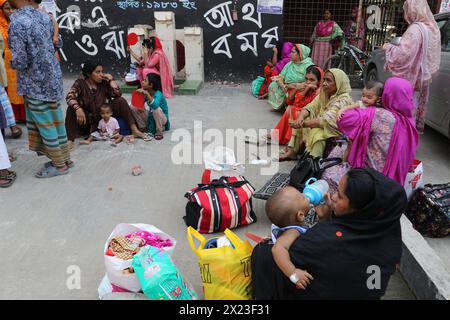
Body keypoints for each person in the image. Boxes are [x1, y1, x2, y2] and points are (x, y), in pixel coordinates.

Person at [252, 168, 405, 300]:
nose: (333, 197)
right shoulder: (387, 230)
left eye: (340, 195)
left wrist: (292, 272)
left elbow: (283, 251)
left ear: (359, 208)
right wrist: (327, 219)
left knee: (262, 253)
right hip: (366, 291)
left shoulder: (320, 242)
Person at [9, 0, 72, 178]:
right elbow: (57, 43)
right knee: (55, 120)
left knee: (45, 125)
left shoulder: (18, 22)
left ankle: (59, 165)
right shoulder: (44, 16)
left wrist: (9, 60)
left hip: (34, 82)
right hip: (52, 77)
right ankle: (65, 159)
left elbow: (20, 60)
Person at [323, 77, 419, 193]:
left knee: (334, 159)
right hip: (393, 182)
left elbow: (342, 119)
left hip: (369, 176)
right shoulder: (410, 122)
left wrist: (350, 108)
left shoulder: (379, 114)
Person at [383, 0, 441, 134]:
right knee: (411, 115)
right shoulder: (432, 28)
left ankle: (399, 142)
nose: (405, 12)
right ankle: (408, 142)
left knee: (402, 114)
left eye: (406, 9)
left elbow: (403, 54)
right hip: (422, 80)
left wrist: (388, 48)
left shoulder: (415, 29)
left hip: (409, 82)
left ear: (413, 9)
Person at [65, 61, 151, 149]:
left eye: (102, 71)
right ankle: (70, 140)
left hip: (104, 118)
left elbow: (118, 94)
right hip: (87, 121)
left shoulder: (103, 83)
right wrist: (78, 108)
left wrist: (111, 80)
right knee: (71, 108)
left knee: (120, 101)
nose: (101, 75)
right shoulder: (80, 83)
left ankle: (134, 130)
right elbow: (69, 96)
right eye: (97, 72)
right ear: (89, 73)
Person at [280, 69, 353, 161]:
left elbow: (325, 121)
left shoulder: (343, 100)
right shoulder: (325, 94)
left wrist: (303, 123)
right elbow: (309, 107)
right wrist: (301, 118)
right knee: (300, 116)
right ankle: (292, 152)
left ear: (338, 83)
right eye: (324, 80)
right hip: (325, 126)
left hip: (337, 131)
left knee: (318, 133)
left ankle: (313, 160)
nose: (324, 83)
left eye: (329, 80)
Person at [266, 187, 314, 290]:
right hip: (290, 263)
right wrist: (293, 273)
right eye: (302, 197)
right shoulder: (293, 231)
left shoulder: (282, 224)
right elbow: (277, 249)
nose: (304, 193)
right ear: (300, 215)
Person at [268, 65, 323, 146]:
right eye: (306, 79)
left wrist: (305, 90)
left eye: (312, 80)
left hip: (313, 116)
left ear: (319, 81)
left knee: (294, 110)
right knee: (291, 108)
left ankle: (289, 141)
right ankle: (278, 135)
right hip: (302, 112)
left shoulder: (319, 92)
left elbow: (308, 108)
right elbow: (289, 101)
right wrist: (297, 89)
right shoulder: (304, 86)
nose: (308, 82)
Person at [0, 0, 25, 126]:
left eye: (12, 8)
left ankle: (23, 115)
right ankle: (13, 117)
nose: (10, 12)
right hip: (5, 59)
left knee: (21, 84)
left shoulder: (22, 21)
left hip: (21, 56)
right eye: (7, 8)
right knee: (10, 87)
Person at [268, 44, 314, 111]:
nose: (290, 54)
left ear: (300, 55)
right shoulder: (290, 64)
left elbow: (310, 80)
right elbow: (281, 76)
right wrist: (283, 86)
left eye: (293, 52)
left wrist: (292, 86)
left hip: (298, 86)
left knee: (298, 89)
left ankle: (292, 108)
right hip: (287, 85)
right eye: (291, 52)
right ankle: (280, 106)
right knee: (273, 85)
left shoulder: (308, 66)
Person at [137, 73, 170, 140]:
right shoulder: (146, 92)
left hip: (162, 118)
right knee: (133, 107)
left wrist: (147, 94)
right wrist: (138, 95)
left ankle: (159, 131)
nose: (142, 82)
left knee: (156, 109)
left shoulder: (158, 94)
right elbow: (138, 105)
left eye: (145, 81)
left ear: (151, 85)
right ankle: (143, 127)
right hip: (151, 116)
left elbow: (155, 105)